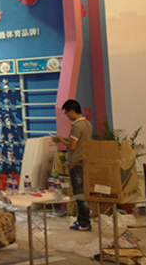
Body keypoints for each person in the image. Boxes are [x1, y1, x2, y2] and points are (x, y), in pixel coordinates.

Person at [51, 99, 92, 231]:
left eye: (67, 113)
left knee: (80, 195)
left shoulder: (77, 126)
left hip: (76, 163)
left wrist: (60, 139)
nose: (67, 116)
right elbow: (77, 142)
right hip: (85, 162)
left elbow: (72, 146)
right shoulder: (87, 124)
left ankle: (84, 223)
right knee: (83, 194)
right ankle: (82, 220)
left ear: (72, 111)